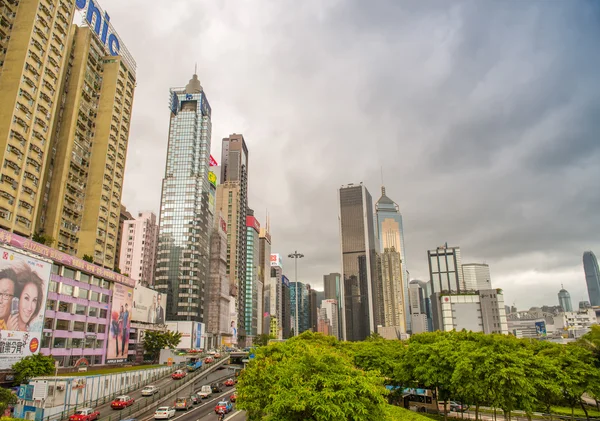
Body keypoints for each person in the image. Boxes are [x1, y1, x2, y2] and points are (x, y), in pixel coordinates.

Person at [7, 265, 44, 332]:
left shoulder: (34, 330)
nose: (30, 308)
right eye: (26, 298)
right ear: (17, 298)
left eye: (34, 300)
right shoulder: (3, 325)